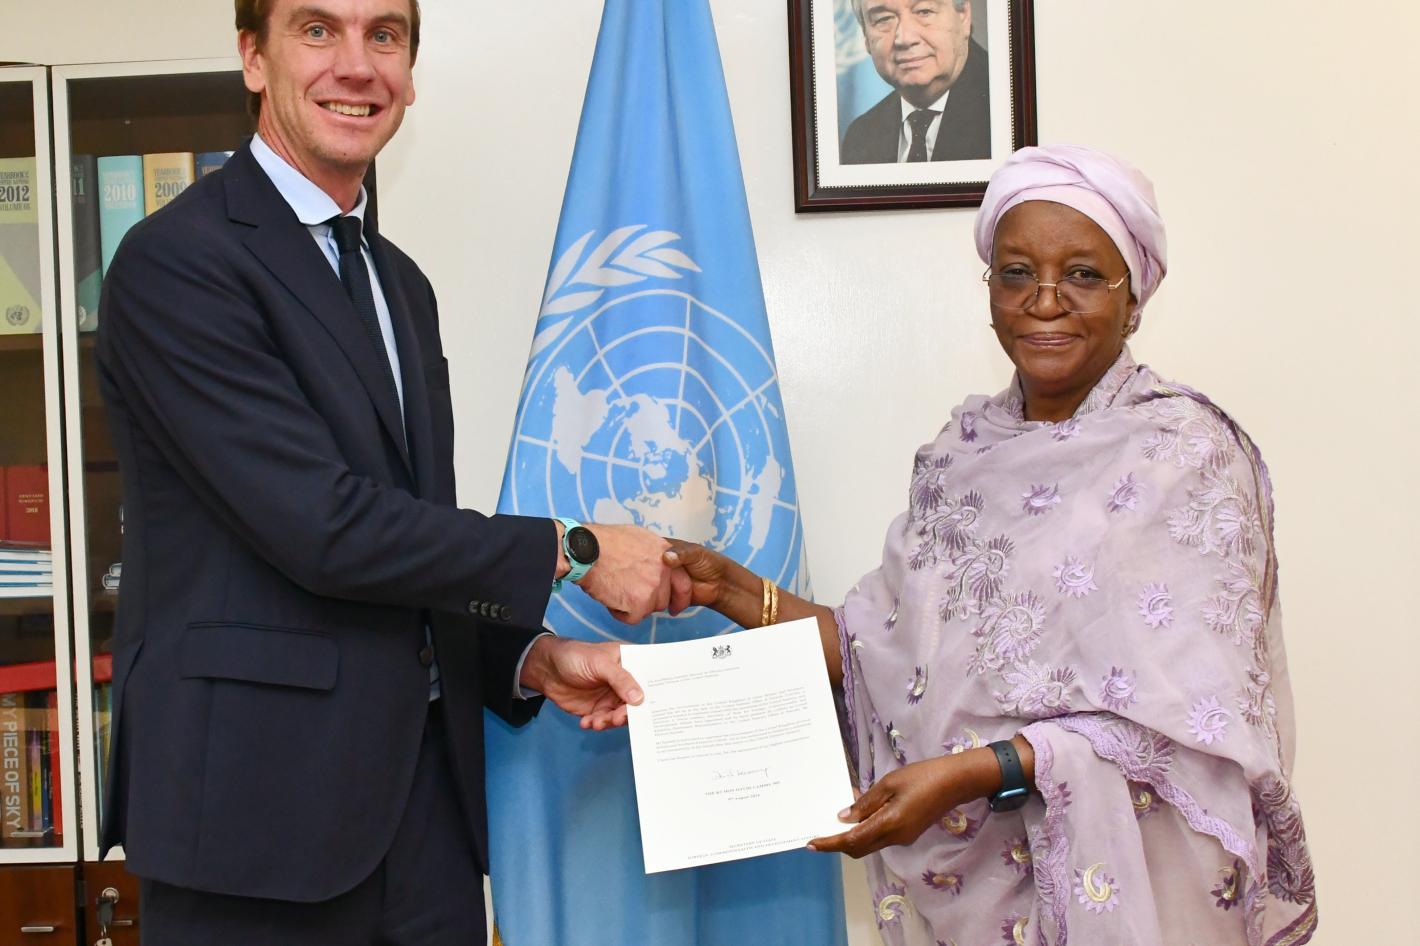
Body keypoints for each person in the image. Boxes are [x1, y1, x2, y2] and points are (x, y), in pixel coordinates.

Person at [94, 1, 685, 942]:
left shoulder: (399, 282)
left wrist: (526, 657)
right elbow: (322, 528)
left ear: (410, 70)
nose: (358, 67)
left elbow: (405, 534)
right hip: (256, 827)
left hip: (424, 831)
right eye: (318, 30)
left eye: (385, 37)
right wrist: (572, 550)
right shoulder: (176, 263)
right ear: (253, 56)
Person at [665, 145, 1318, 944]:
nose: (1045, 301)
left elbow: (1196, 732)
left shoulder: (1185, 455)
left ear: (1134, 297)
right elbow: (888, 661)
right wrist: (735, 592)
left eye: (1083, 274)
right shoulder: (960, 457)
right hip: (975, 903)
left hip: (1139, 893)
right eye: (1016, 273)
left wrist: (980, 770)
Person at [841, 0, 990, 165]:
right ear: (866, 37)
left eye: (924, 12)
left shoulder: (1010, 112)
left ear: (963, 16)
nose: (905, 38)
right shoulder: (859, 138)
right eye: (883, 19)